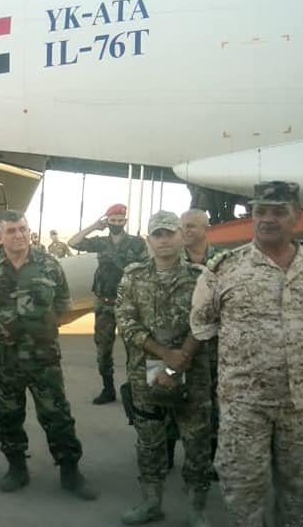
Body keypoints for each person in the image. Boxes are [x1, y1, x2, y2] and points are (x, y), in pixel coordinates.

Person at [191, 181, 303, 526]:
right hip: (245, 408)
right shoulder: (223, 270)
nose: (268, 219)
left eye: (279, 212)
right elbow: (203, 325)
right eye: (260, 211)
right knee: (243, 492)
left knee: (302, 494)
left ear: (296, 216)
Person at [0, 210, 96, 500]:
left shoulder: (49, 265)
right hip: (3, 360)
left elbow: (64, 307)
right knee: (7, 415)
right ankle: (16, 467)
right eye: (11, 231)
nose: (18, 235)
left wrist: (42, 330)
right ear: (0, 236)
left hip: (44, 360)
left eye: (22, 229)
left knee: (57, 415)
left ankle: (70, 470)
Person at [116, 211, 213, 526]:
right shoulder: (132, 276)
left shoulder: (201, 276)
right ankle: (151, 503)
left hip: (193, 370)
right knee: (149, 440)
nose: (164, 240)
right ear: (148, 240)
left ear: (181, 236)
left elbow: (207, 319)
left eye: (170, 233)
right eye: (157, 234)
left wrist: (181, 355)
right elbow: (126, 321)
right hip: (146, 372)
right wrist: (163, 354)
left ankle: (196, 510)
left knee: (197, 441)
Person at [68, 203, 149, 405]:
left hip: (127, 304)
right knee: (103, 350)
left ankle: (133, 389)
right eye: (112, 221)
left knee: (134, 349)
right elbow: (73, 242)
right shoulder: (101, 242)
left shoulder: (137, 243)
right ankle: (108, 388)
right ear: (108, 222)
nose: (116, 224)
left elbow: (146, 269)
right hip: (104, 303)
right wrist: (95, 226)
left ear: (125, 222)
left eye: (120, 221)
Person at [180, 208, 224, 469]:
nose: (184, 231)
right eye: (182, 226)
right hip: (176, 343)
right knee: (170, 394)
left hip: (214, 346)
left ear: (205, 229)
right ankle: (166, 448)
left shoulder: (223, 260)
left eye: (191, 226)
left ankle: (212, 455)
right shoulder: (170, 258)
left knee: (214, 401)